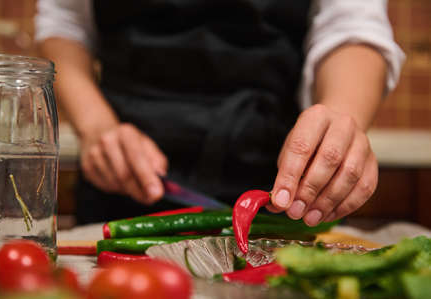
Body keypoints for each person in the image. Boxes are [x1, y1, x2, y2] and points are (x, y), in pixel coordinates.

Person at [35, 0, 404, 226]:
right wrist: (97, 127)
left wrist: (340, 118)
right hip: (123, 181)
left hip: (276, 184)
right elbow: (64, 24)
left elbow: (351, 25)